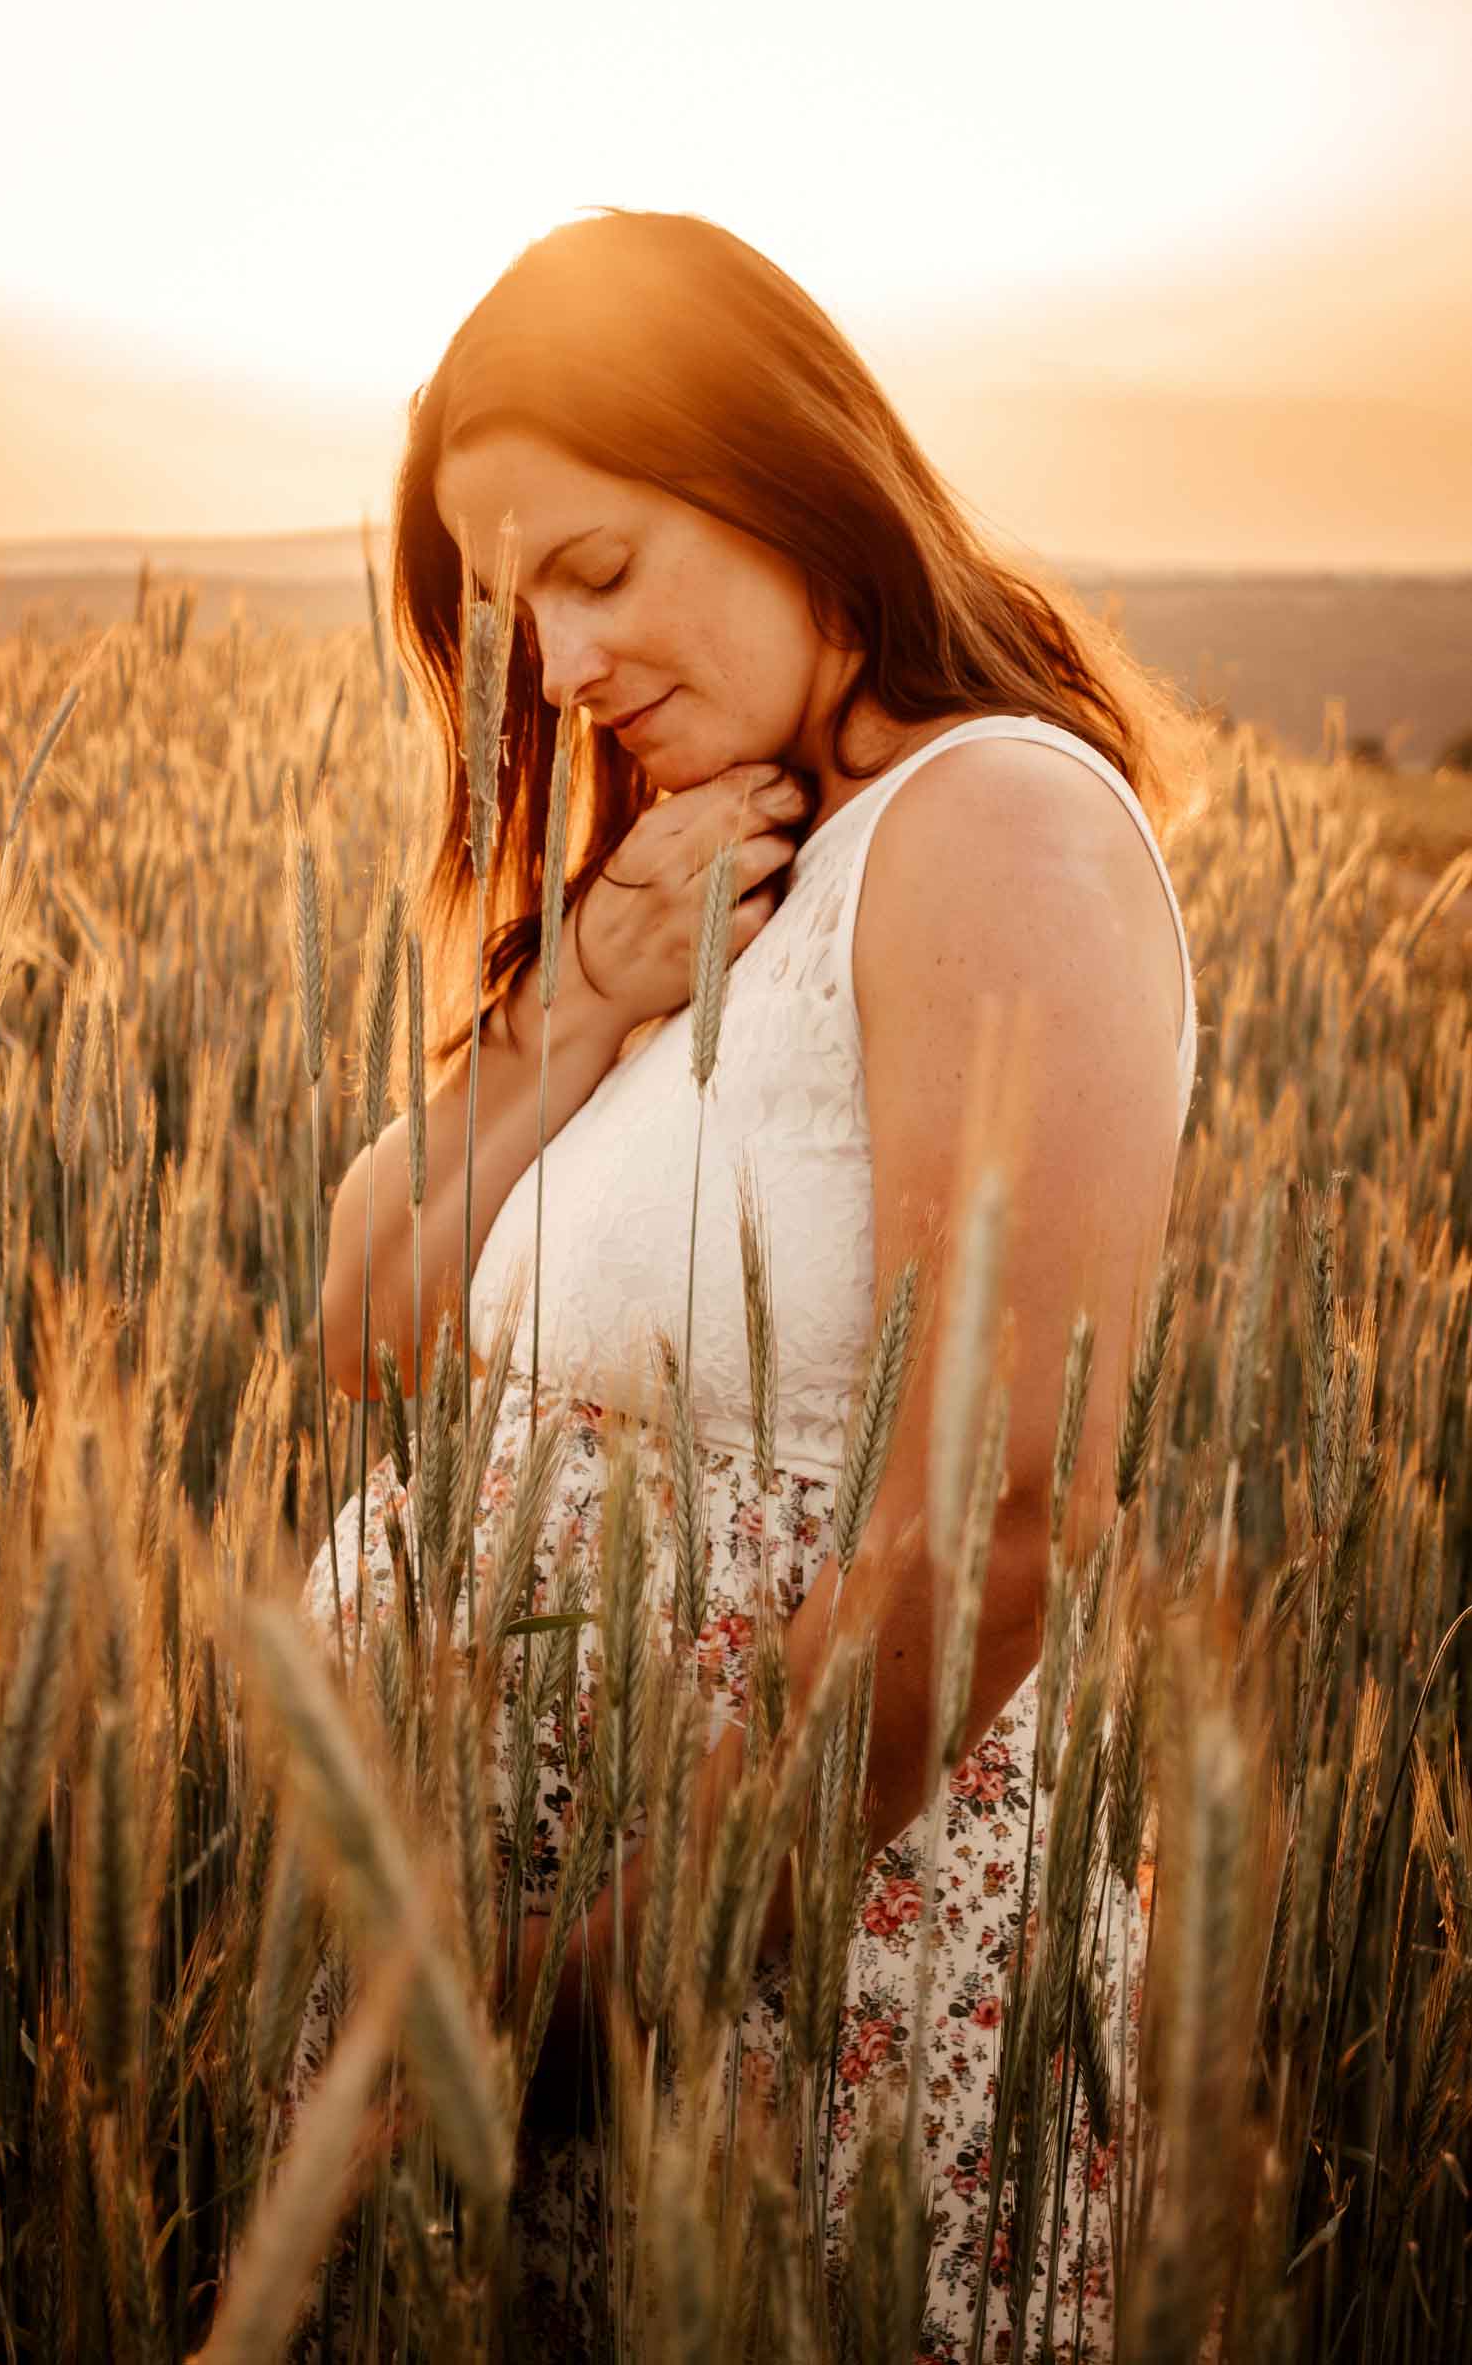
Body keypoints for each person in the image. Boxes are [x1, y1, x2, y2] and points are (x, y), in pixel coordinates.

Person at [299, 206, 1202, 2357]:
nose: (553, 669)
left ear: (787, 476)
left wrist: (571, 2006)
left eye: (592, 571)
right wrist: (579, 996)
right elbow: (364, 1328)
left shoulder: (993, 828)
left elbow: (995, 1533)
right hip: (528, 1987)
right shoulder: (707, 882)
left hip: (780, 1999)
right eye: (508, 612)